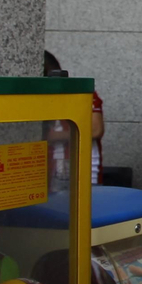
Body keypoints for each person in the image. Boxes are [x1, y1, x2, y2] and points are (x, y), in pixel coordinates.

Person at [43, 50, 105, 186]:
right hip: (46, 169)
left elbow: (95, 130)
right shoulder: (31, 98)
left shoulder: (81, 93)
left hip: (81, 170)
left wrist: (51, 136)